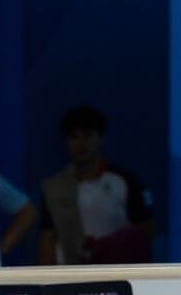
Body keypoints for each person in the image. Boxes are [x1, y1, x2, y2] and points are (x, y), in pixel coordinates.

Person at [38, 106, 153, 265]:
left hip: (117, 274)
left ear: (100, 138)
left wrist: (110, 246)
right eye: (74, 137)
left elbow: (146, 232)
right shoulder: (54, 189)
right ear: (66, 142)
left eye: (87, 135)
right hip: (71, 277)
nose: (81, 143)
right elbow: (48, 240)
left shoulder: (125, 181)